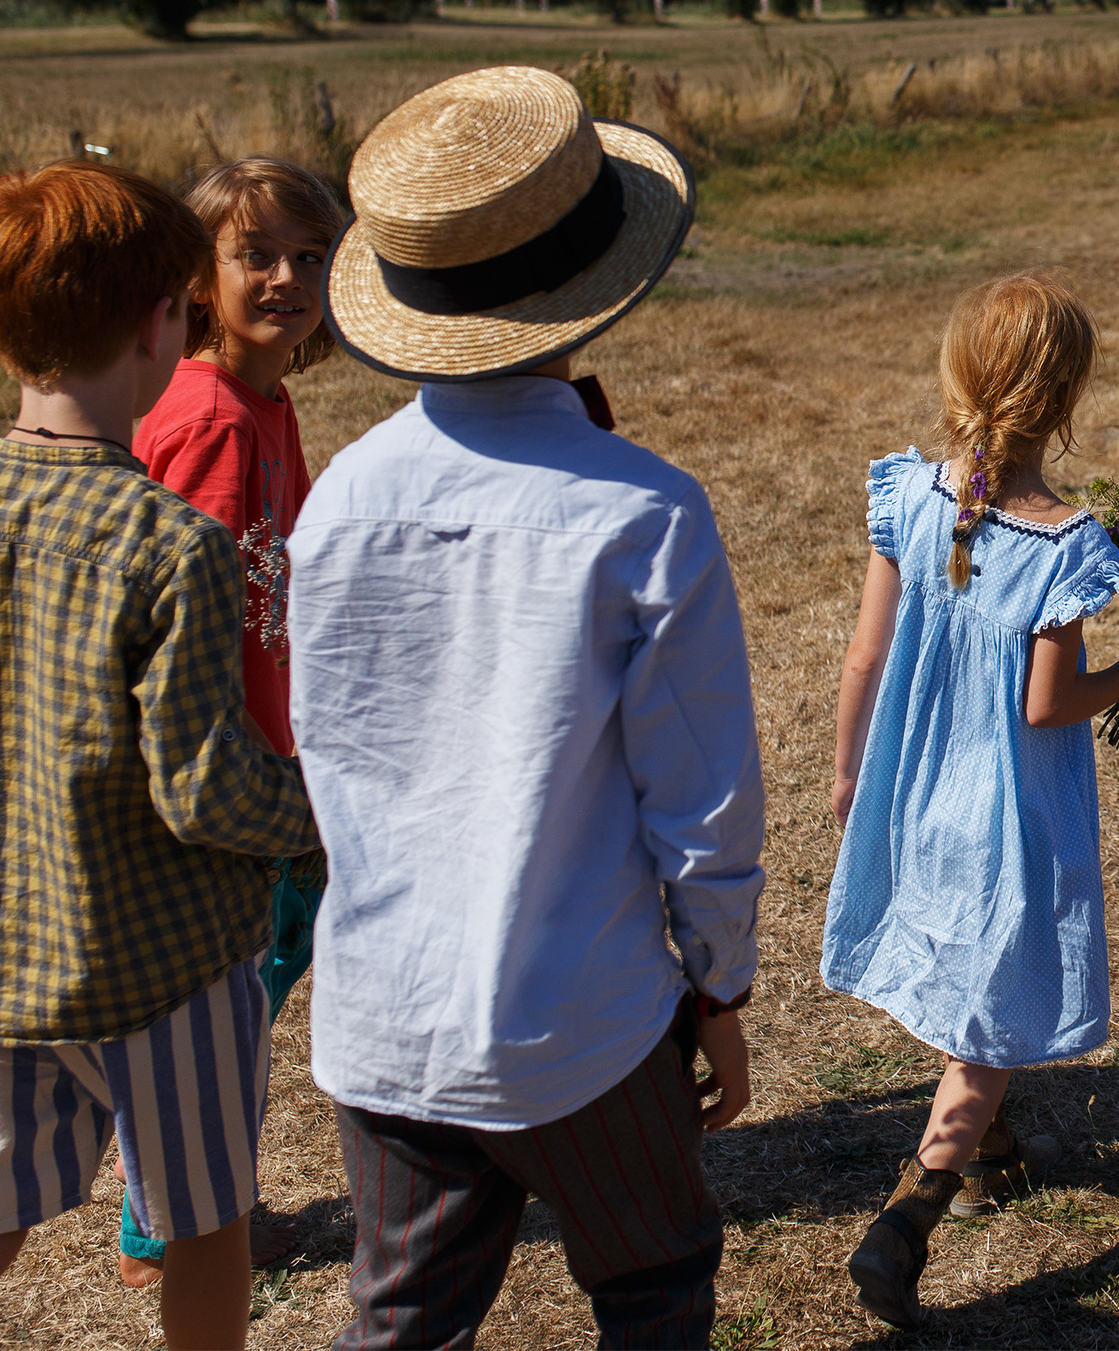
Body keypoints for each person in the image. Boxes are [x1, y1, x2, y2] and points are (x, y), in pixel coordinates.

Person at [286, 66, 765, 1349]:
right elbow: (701, 794)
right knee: (653, 1284)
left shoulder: (338, 497)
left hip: (385, 1008)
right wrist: (716, 985)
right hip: (582, 1014)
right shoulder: (640, 510)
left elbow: (334, 747)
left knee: (402, 1318)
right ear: (594, 284)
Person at [0, 161, 318, 1351]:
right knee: (205, 1219)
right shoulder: (169, 542)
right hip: (165, 962)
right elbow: (205, 782)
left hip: (6, 947)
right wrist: (321, 809)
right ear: (160, 320)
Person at [823, 272, 1119, 1329]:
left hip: (914, 783)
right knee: (992, 1005)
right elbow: (1047, 703)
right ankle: (908, 1214)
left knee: (967, 976)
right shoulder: (1063, 541)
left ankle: (990, 1154)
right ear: (1064, 399)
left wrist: (851, 775)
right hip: (1006, 815)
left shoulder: (910, 495)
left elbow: (864, 656)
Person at [123, 157, 340, 1285]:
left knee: (250, 994)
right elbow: (197, 618)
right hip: (235, 773)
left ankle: (186, 1211)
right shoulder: (209, 416)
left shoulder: (263, 398)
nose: (287, 277)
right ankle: (171, 1231)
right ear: (201, 278)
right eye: (256, 254)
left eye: (310, 256)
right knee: (222, 1010)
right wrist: (254, 779)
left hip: (273, 749)